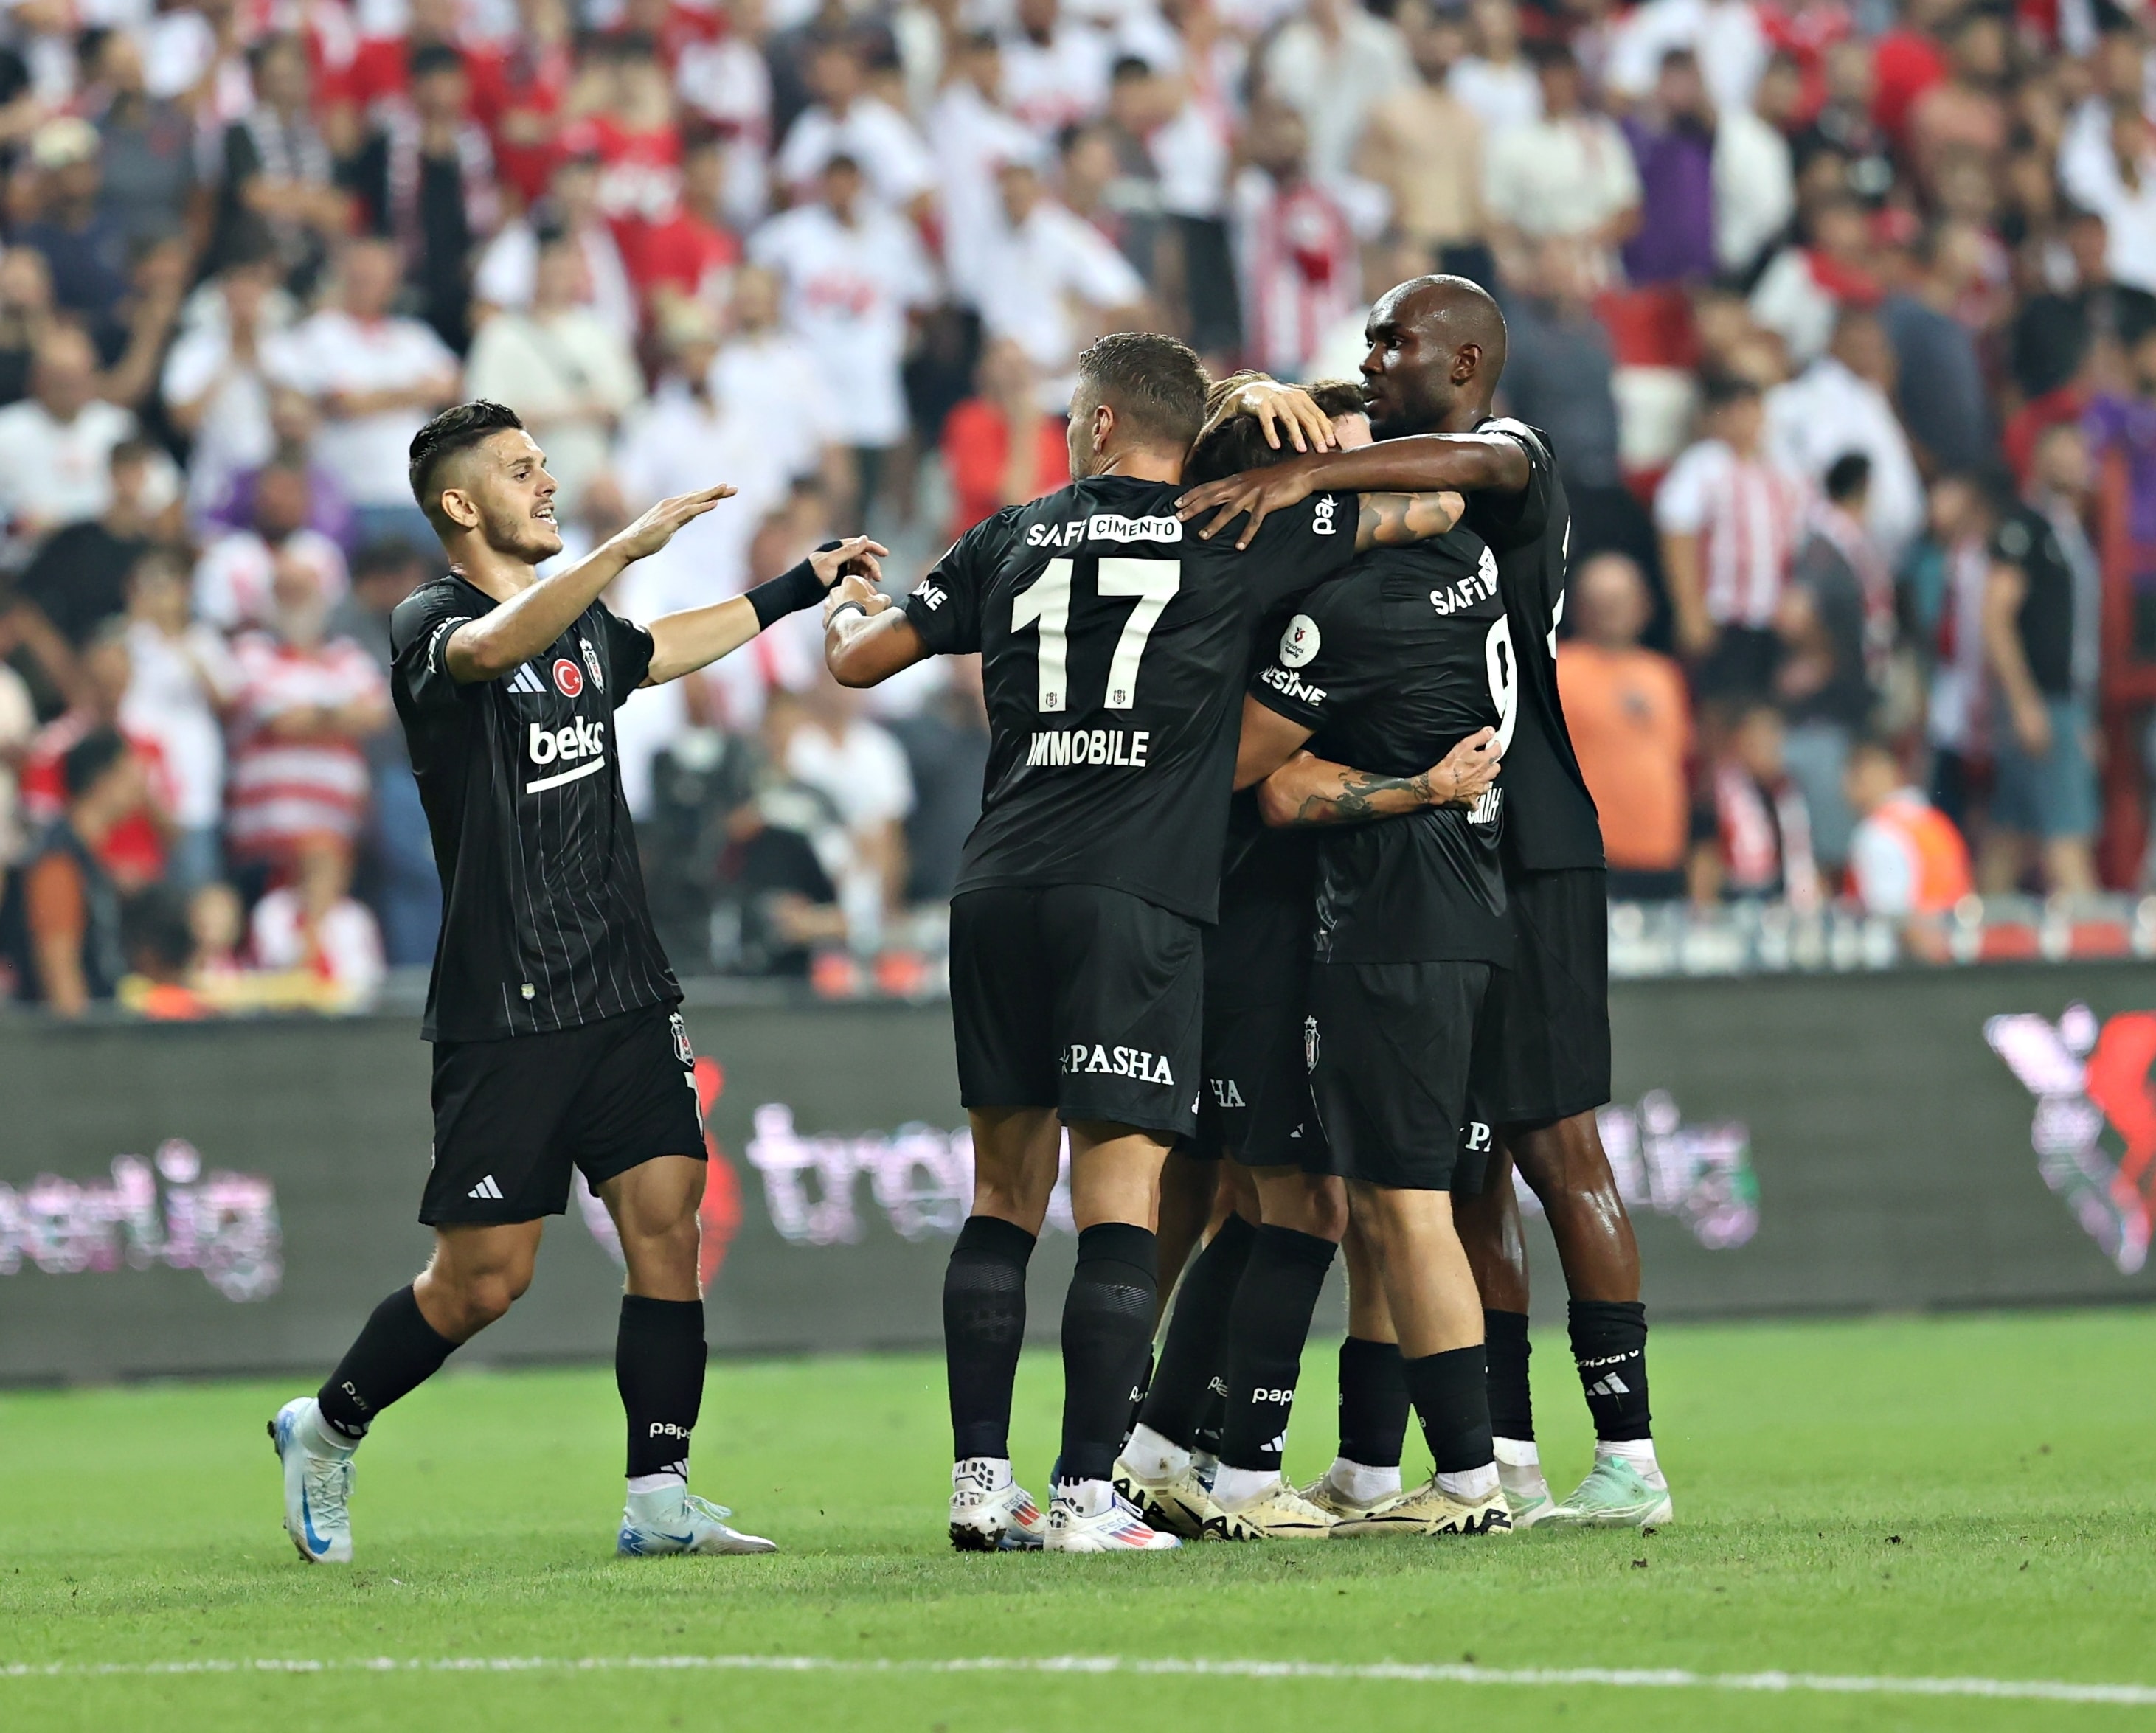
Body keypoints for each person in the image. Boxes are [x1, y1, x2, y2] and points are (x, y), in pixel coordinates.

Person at [822, 332, 1461, 1552]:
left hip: (996, 886)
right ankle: (1083, 1495)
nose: (1066, 433)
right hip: (1134, 898)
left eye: (1071, 416)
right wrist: (1300, 458)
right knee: (1118, 1201)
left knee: (1000, 1198)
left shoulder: (1007, 535)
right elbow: (1432, 505)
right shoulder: (1238, 531)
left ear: (1103, 424)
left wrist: (845, 600)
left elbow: (859, 660)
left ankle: (978, 1486)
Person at [267, 398, 884, 1566]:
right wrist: (624, 547)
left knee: (668, 1222)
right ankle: (326, 1427)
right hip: (508, 1006)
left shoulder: (582, 625)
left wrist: (794, 590)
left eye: (544, 463)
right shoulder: (429, 622)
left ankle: (658, 1496)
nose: (545, 481)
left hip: (624, 988)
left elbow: (655, 649)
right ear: (461, 504)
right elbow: (491, 651)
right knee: (482, 1281)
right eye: (520, 469)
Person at [1194, 274, 1671, 1530]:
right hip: (1454, 852)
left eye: (1390, 341)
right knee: (1462, 1166)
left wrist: (1307, 475)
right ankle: (1501, 1453)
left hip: (1536, 838)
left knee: (1555, 1145)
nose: (1370, 359)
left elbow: (1468, 464)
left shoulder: (1513, 455)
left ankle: (1626, 1453)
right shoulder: (1415, 493)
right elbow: (1364, 434)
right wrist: (1277, 402)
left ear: (1462, 364)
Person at [1123, 376, 1508, 1543]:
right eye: (1317, 473)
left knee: (1270, 1199)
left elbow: (1432, 501)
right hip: (1245, 915)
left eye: (1352, 467)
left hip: (1309, 919)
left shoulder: (1317, 577)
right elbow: (1269, 781)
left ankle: (1166, 1450)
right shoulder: (1252, 592)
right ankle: (1224, 1468)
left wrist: (1277, 424)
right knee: (1295, 1200)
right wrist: (1417, 787)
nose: (1346, 496)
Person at [1980, 420, 2101, 897]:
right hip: (2042, 699)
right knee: (2066, 835)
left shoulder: (2070, 531)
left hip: (2064, 700)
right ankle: (2094, 935)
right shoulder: (2025, 528)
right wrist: (2023, 701)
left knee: (2009, 834)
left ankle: (1979, 927)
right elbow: (1996, 617)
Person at [1657, 374, 1812, 699]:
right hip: (1722, 615)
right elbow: (1678, 535)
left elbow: (1801, 540)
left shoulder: (1781, 471)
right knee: (1722, 706)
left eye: (1752, 410)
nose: (1745, 421)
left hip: (1771, 616)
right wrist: (1690, 610)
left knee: (1765, 707)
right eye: (1734, 411)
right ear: (1715, 417)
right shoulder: (1702, 466)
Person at [1558, 553, 1691, 901]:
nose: (1610, 611)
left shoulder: (1664, 674)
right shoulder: (1559, 671)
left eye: (1620, 600)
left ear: (1644, 605)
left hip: (1663, 853)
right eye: (1599, 601)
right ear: (1578, 607)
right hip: (1593, 854)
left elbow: (1679, 760)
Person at [17, 728, 142, 1017]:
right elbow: (61, 977)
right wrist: (86, 1040)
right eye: (128, 774)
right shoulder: (58, 863)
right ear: (102, 781)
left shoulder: (85, 857)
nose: (139, 786)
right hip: (77, 1037)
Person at [1844, 737, 1972, 942]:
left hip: (1913, 955)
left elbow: (1894, 920)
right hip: (1958, 944)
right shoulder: (1936, 822)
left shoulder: (1877, 833)